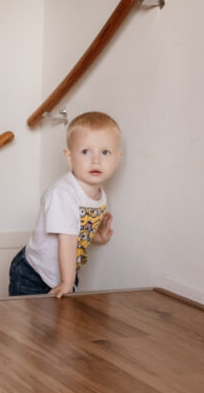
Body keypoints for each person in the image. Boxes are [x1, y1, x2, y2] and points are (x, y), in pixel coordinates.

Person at [9, 111, 122, 298]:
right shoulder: (62, 194)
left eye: (105, 152)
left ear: (117, 159)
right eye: (86, 151)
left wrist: (95, 237)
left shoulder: (99, 195)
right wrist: (68, 282)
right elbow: (67, 238)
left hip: (62, 274)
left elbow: (78, 229)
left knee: (59, 324)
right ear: (69, 157)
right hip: (34, 274)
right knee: (31, 325)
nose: (96, 160)